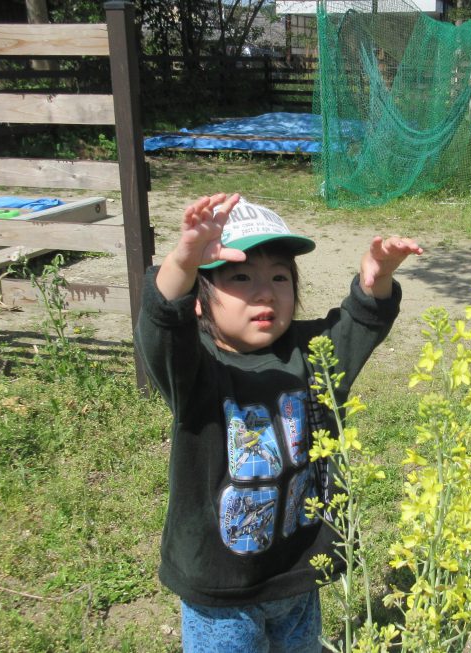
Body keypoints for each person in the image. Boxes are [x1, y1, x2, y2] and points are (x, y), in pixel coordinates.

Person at [134, 193, 422, 652]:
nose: (265, 291)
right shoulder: (194, 370)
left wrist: (376, 279)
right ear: (200, 301)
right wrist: (183, 261)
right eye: (241, 277)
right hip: (221, 587)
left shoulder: (311, 355)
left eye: (280, 277)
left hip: (299, 571)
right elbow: (162, 321)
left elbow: (360, 322)